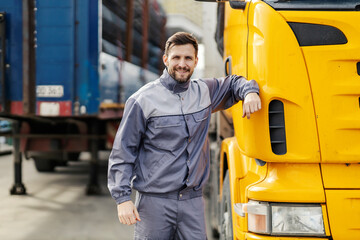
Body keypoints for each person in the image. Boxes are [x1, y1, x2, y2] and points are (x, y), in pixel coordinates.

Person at [108, 32, 261, 239]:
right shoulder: (142, 100)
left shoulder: (205, 92)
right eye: (176, 58)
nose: (182, 64)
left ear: (196, 61)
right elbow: (123, 152)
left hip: (192, 202)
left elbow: (234, 83)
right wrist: (122, 198)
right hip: (154, 202)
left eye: (188, 58)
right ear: (165, 60)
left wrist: (250, 92)